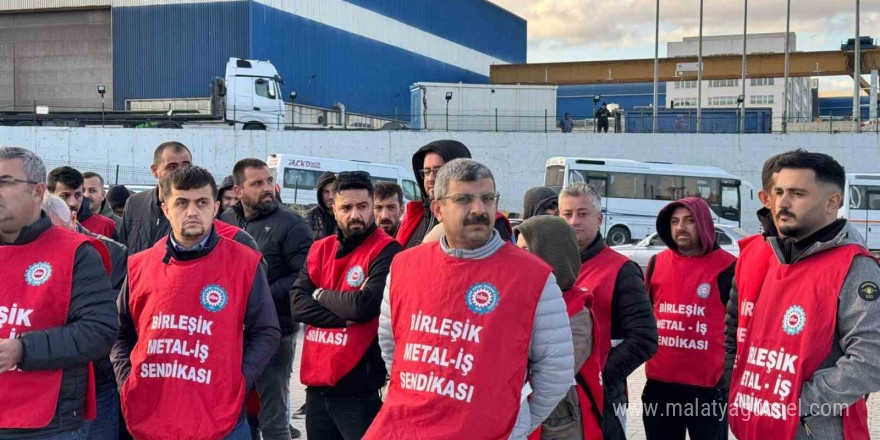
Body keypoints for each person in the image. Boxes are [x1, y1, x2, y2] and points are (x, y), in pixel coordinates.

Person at [364, 159, 574, 439]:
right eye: (464, 199)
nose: (479, 209)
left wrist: (516, 424)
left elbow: (556, 370)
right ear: (438, 209)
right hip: (405, 429)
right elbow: (392, 347)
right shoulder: (404, 266)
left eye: (487, 198)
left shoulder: (534, 277)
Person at [111, 166, 281, 440]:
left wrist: (237, 381)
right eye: (182, 202)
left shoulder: (245, 263)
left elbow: (267, 331)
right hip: (152, 412)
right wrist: (127, 380)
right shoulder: (139, 265)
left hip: (222, 418)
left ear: (215, 208)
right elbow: (120, 332)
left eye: (201, 202)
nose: (192, 211)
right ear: (166, 209)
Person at [728, 150, 880, 440]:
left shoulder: (855, 267)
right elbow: (734, 330)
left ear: (832, 203)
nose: (782, 203)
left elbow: (871, 359)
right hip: (755, 423)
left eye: (797, 193)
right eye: (779, 192)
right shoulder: (764, 254)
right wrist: (734, 389)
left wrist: (800, 405)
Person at [0, 146, 118, 440]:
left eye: (5, 182)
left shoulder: (77, 252)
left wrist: (22, 349)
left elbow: (100, 330)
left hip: (46, 425)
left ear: (38, 191)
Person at [290, 171, 402, 439]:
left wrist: (318, 294)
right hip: (316, 386)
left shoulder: (388, 250)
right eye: (347, 208)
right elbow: (296, 306)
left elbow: (364, 306)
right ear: (334, 209)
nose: (356, 215)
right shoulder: (321, 248)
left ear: (372, 205)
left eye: (363, 206)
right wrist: (345, 314)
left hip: (360, 390)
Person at [220, 158, 313, 440]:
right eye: (257, 183)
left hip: (276, 332)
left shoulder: (291, 224)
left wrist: (258, 297)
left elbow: (305, 275)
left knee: (273, 416)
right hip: (230, 335)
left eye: (269, 181)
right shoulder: (225, 221)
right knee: (237, 411)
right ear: (238, 191)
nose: (267, 188)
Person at [558, 184, 657, 440]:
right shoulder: (551, 267)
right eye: (566, 214)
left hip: (603, 396)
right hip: (557, 394)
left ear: (599, 219)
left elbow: (644, 340)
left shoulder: (621, 270)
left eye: (583, 213)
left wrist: (600, 374)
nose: (574, 221)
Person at [641, 198, 736, 440]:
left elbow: (741, 326)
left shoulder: (729, 267)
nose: (680, 227)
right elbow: (645, 316)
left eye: (689, 220)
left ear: (704, 223)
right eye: (674, 222)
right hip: (660, 383)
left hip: (707, 387)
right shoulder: (656, 263)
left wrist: (728, 374)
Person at [43, 193, 129, 440]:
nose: (53, 240)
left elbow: (113, 318)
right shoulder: (31, 251)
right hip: (49, 383)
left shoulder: (112, 253)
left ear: (72, 218)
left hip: (99, 378)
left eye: (57, 230)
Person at [516, 216, 604, 440]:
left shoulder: (577, 313)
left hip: (559, 425)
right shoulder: (519, 300)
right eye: (516, 249)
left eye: (527, 249)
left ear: (550, 254)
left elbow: (551, 372)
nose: (517, 258)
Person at [396, 140, 512, 249]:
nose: (430, 178)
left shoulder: (484, 220)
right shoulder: (413, 217)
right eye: (426, 172)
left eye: (438, 170)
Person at [118, 141, 192, 254]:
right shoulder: (135, 203)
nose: (180, 172)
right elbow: (123, 250)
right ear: (155, 171)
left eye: (186, 165)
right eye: (172, 167)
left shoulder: (195, 209)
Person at [48, 166, 117, 239]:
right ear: (49, 194)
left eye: (78, 195)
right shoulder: (38, 226)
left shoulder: (106, 226)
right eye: (65, 196)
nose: (73, 203)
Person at [305, 171, 337, 240]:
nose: (330, 196)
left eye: (334, 191)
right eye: (326, 192)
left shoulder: (346, 216)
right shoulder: (310, 216)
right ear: (320, 194)